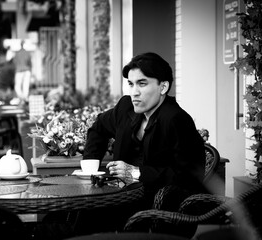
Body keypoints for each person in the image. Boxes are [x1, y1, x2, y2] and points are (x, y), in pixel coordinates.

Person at [83, 52, 207, 208]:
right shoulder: (125, 106)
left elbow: (189, 176)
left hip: (157, 208)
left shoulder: (176, 119)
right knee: (66, 215)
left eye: (142, 84)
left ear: (163, 87)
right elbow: (98, 127)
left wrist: (136, 173)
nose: (134, 92)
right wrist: (90, 165)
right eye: (131, 84)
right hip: (117, 198)